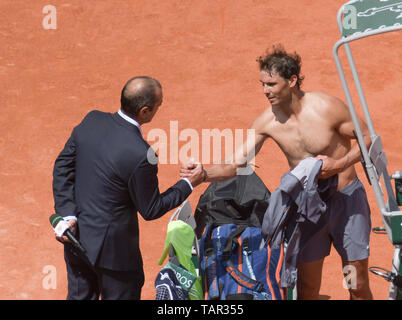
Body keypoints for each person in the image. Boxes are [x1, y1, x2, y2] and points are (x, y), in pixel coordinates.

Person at [181, 45, 373, 300]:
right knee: (305, 289)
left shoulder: (327, 108)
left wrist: (338, 165)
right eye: (262, 84)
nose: (265, 91)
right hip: (308, 211)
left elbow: (368, 138)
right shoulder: (267, 122)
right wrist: (203, 172)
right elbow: (237, 163)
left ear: (292, 80)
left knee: (356, 284)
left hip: (346, 205)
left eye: (271, 84)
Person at [52, 76, 205, 300]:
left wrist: (68, 215)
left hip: (77, 240)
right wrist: (189, 183)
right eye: (159, 105)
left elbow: (62, 168)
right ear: (145, 111)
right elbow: (151, 208)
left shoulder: (91, 120)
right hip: (115, 257)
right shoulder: (142, 155)